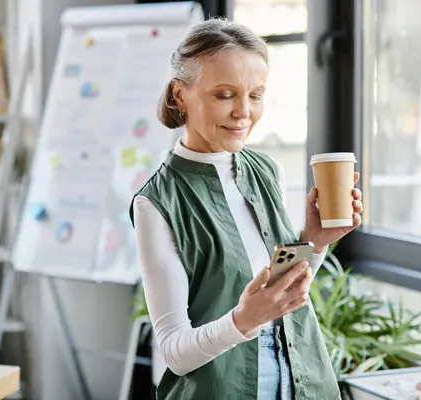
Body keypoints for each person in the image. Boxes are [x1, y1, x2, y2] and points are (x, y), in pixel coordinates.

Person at [130, 17, 363, 400]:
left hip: (303, 384)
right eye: (224, 95)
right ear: (179, 95)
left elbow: (279, 288)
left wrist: (315, 240)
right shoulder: (156, 203)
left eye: (255, 95)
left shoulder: (265, 170)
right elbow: (175, 352)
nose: (244, 112)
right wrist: (243, 321)